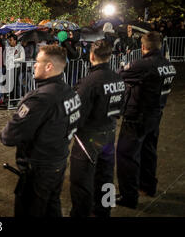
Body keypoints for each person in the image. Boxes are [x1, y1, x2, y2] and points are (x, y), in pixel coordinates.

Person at [0, 45, 81, 217]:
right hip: (58, 162)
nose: (34, 65)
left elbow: (8, 137)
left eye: (37, 62)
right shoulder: (70, 92)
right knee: (52, 206)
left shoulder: (40, 98)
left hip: (38, 169)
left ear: (49, 66)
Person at [116, 31, 176, 209]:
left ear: (143, 47)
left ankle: (129, 196)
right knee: (149, 152)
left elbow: (120, 74)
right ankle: (148, 187)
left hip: (137, 117)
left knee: (126, 155)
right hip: (155, 114)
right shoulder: (167, 64)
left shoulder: (143, 65)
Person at [69, 40, 125, 217]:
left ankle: (80, 213)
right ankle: (104, 210)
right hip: (109, 133)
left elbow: (78, 113)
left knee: (81, 180)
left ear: (91, 56)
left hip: (89, 138)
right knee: (106, 175)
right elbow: (120, 107)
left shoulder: (89, 82)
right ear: (109, 56)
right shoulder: (118, 78)